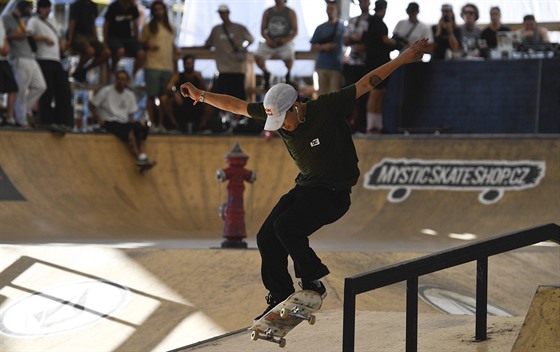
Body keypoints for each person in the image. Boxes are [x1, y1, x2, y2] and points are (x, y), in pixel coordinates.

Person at [180, 33, 429, 321]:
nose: (281, 127)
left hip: (334, 193)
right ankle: (281, 295)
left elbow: (366, 82)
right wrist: (201, 94)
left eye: (284, 120)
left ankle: (313, 283)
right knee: (265, 236)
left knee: (287, 228)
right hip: (307, 186)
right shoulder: (275, 110)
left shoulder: (327, 107)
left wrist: (402, 58)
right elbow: (236, 105)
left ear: (296, 106)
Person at [197, 4, 254, 132]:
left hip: (237, 69)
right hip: (222, 69)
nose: (223, 15)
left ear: (228, 13)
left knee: (239, 97)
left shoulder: (239, 28)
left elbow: (251, 39)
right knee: (221, 97)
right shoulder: (216, 29)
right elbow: (208, 44)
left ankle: (235, 122)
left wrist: (242, 48)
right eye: (221, 13)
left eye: (224, 13)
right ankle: (226, 121)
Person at [89, 69, 155, 169]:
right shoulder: (106, 91)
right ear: (115, 80)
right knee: (130, 130)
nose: (121, 81)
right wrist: (97, 118)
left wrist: (138, 124)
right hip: (109, 121)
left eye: (123, 79)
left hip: (124, 122)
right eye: (119, 79)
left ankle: (143, 154)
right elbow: (92, 104)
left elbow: (131, 115)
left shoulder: (129, 95)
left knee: (143, 126)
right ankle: (138, 158)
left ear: (127, 81)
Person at [27, 0, 73, 130]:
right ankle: (46, 120)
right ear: (40, 9)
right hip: (43, 59)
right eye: (45, 8)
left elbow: (59, 37)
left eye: (49, 8)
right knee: (47, 92)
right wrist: (43, 38)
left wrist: (62, 45)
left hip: (56, 60)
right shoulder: (34, 21)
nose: (48, 10)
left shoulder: (53, 21)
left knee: (62, 91)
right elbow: (28, 36)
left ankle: (62, 120)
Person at [2, 0, 47, 128]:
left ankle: (19, 111)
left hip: (30, 56)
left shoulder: (22, 20)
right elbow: (4, 36)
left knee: (41, 86)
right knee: (20, 90)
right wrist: (18, 35)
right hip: (18, 57)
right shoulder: (6, 18)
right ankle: (20, 119)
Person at [140, 0, 179, 133]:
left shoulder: (170, 28)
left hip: (167, 66)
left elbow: (173, 46)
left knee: (164, 97)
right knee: (151, 96)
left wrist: (175, 66)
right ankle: (152, 123)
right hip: (152, 64)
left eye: (160, 9)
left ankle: (162, 124)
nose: (158, 12)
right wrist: (148, 46)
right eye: (156, 9)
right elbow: (141, 43)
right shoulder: (148, 27)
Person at [362, 0, 397, 134]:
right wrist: (397, 42)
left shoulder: (369, 22)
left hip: (375, 62)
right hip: (376, 63)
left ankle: (378, 125)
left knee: (380, 93)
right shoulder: (378, 23)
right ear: (384, 8)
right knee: (375, 93)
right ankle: (371, 126)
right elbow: (385, 40)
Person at [254, 0, 298, 90]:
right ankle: (266, 73)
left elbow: (295, 31)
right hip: (270, 41)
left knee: (290, 55)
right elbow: (262, 30)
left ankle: (288, 76)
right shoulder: (268, 11)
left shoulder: (290, 12)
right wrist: (269, 40)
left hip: (285, 42)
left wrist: (285, 40)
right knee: (257, 55)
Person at [343, 0, 371, 133]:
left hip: (366, 64)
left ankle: (362, 125)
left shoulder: (372, 20)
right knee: (350, 94)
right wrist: (354, 39)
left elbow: (370, 42)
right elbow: (346, 40)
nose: (363, 4)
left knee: (365, 95)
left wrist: (359, 41)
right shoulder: (353, 20)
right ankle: (349, 125)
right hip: (352, 64)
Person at [67, 0, 111, 83]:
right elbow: (72, 22)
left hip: (90, 35)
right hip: (78, 34)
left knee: (106, 52)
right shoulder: (76, 5)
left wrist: (96, 39)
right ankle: (79, 69)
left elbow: (93, 24)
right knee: (90, 51)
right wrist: (70, 39)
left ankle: (83, 70)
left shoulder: (93, 6)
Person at [309, 0, 345, 96]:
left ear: (337, 10)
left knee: (334, 96)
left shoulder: (342, 27)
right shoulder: (320, 28)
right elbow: (312, 47)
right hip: (322, 66)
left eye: (332, 8)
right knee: (322, 96)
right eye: (328, 8)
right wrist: (323, 47)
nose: (330, 11)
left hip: (336, 66)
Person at [104, 0, 145, 78]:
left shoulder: (133, 7)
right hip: (114, 37)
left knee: (141, 54)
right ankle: (112, 71)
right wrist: (105, 40)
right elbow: (106, 24)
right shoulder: (113, 6)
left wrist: (137, 39)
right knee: (120, 51)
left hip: (128, 37)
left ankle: (132, 76)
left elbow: (135, 24)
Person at [172, 54, 207, 133]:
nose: (190, 66)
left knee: (209, 102)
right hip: (182, 102)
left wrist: (200, 79)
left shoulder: (197, 75)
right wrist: (175, 93)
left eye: (192, 63)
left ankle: (202, 126)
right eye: (188, 64)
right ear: (184, 65)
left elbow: (205, 90)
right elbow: (169, 87)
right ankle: (175, 125)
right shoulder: (178, 76)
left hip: (196, 101)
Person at [0, 15, 18, 126]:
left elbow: (4, 35)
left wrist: (6, 45)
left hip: (3, 59)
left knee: (13, 87)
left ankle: (10, 117)